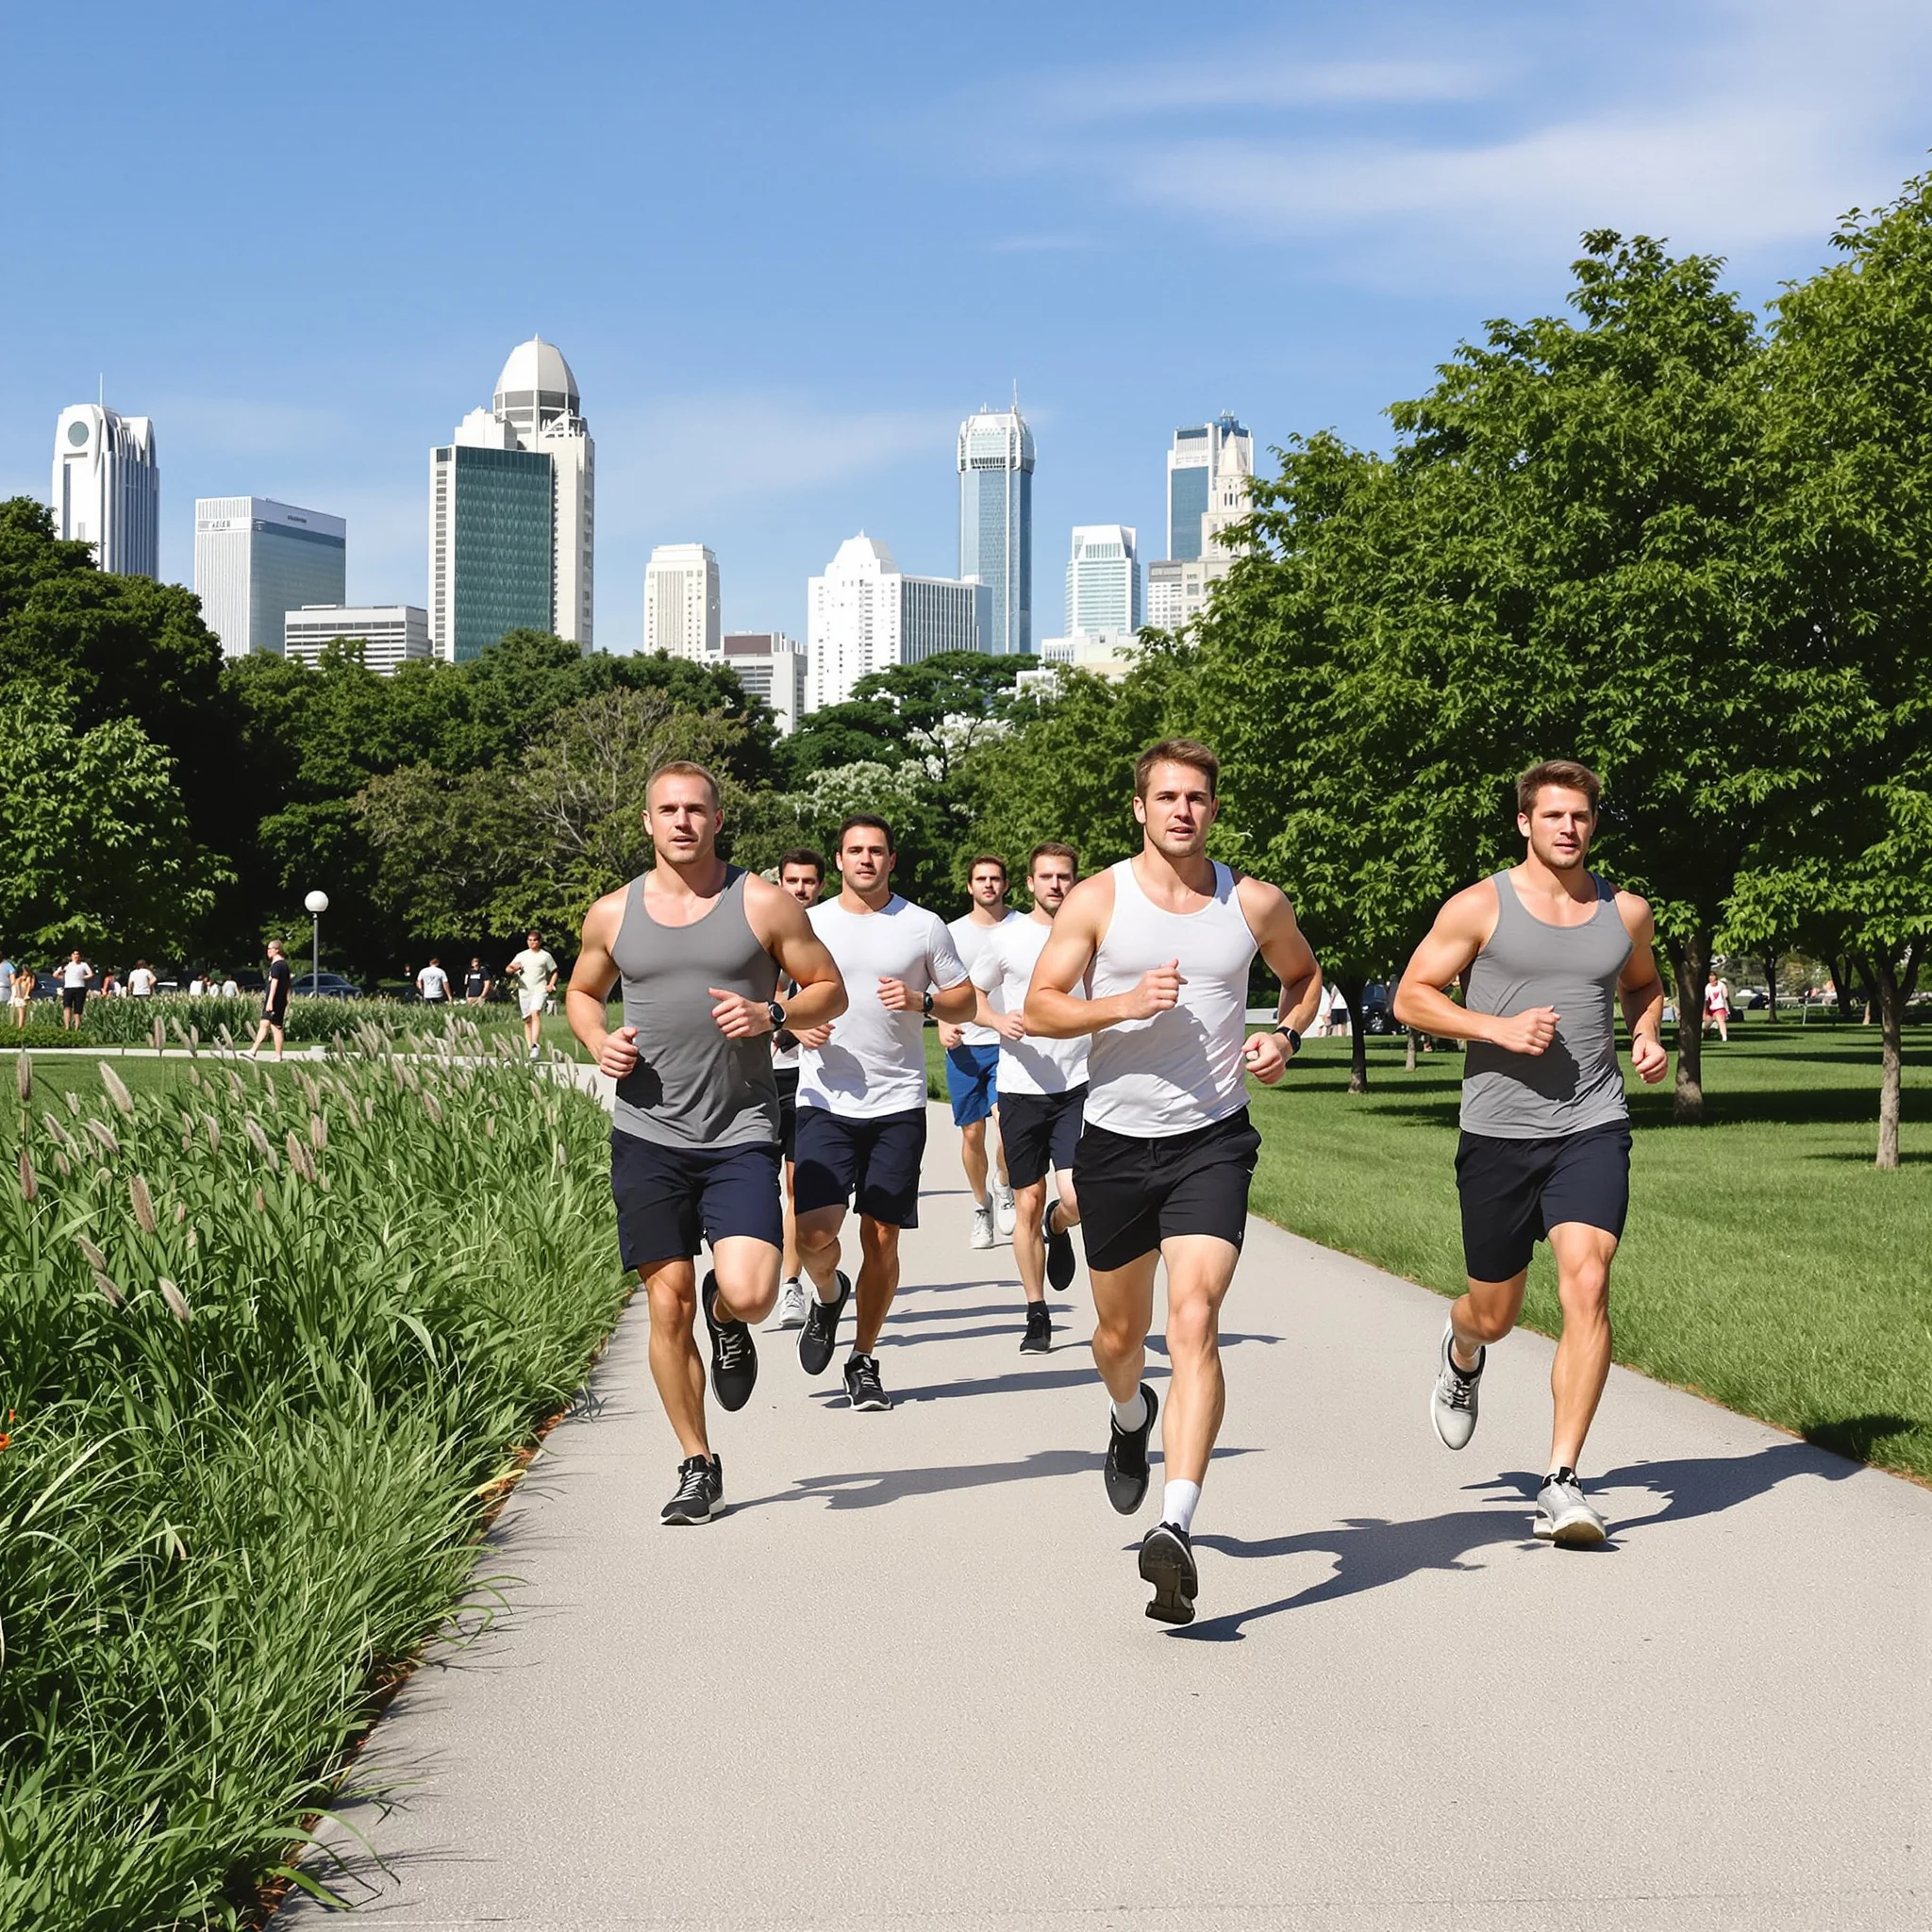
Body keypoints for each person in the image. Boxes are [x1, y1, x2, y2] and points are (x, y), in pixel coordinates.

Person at [1027, 741, 1321, 1625]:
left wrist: (1286, 1035)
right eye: (1166, 797)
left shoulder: (1252, 901)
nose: (1182, 811)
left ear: (1213, 810)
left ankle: (1177, 1525)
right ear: (1139, 809)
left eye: (1196, 797)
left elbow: (1303, 979)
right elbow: (1043, 1004)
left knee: (1194, 1317)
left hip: (1213, 1142)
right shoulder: (1098, 900)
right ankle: (1128, 1416)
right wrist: (1118, 1004)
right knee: (1120, 1337)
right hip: (1115, 1144)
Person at [1392, 758, 1669, 1547]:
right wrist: (1496, 1030)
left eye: (1580, 816)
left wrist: (1646, 1035)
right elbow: (1414, 993)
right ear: (1525, 822)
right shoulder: (1481, 905)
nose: (1569, 828)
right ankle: (1464, 1347)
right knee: (1497, 1310)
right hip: (1499, 1132)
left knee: (1588, 1280)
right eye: (1553, 816)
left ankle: (1561, 1480)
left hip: (1592, 1124)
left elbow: (1643, 986)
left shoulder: (1627, 912)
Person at [566, 761, 846, 1525]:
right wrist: (598, 1041)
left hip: (740, 1134)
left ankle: (728, 1325)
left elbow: (830, 986)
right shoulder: (612, 914)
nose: (682, 821)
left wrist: (774, 1017)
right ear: (648, 822)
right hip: (647, 1133)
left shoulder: (762, 901)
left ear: (718, 820)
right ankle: (697, 1462)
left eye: (696, 809)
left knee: (750, 1293)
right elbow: (582, 992)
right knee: (667, 1302)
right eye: (668, 810)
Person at [791, 814, 975, 1413]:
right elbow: (772, 996)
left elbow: (967, 1000)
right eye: (854, 851)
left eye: (877, 851)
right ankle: (826, 1294)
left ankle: (863, 1359)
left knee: (882, 1236)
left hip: (897, 1102)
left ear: (891, 861)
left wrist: (924, 1001)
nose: (866, 859)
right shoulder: (806, 923)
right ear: (838, 861)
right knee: (813, 1234)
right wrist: (794, 1025)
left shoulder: (924, 927)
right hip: (823, 1099)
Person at [972, 841, 1089, 1354]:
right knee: (1027, 1200)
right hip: (1021, 1089)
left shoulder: (1093, 934)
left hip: (1080, 1083)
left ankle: (1058, 1229)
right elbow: (967, 995)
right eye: (1047, 877)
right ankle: (1036, 1312)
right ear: (1030, 883)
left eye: (1064, 876)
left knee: (1077, 1198)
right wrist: (997, 1019)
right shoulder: (1007, 939)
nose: (1056, 885)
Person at [941, 854, 1016, 1248]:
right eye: (981, 879)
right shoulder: (951, 932)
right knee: (973, 1133)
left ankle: (1004, 1182)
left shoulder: (1024, 926)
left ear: (1006, 885)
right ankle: (981, 1205)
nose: (988, 885)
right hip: (967, 1047)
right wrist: (941, 1023)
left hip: (1012, 1045)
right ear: (970, 887)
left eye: (995, 879)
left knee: (1008, 1125)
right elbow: (938, 985)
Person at [767, 848, 827, 1332]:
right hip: (752, 1077)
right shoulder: (762, 931)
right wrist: (788, 1015)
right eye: (793, 880)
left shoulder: (826, 934)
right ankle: (749, 1271)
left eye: (809, 881)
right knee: (754, 1183)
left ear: (821, 885)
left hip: (804, 1080)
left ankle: (791, 1285)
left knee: (793, 1185)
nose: (801, 889)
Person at [506, 931, 558, 1059]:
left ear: (540, 941)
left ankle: (535, 1045)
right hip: (524, 991)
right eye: (530, 940)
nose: (532, 943)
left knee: (535, 1012)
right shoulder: (521, 955)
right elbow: (508, 969)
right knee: (527, 1020)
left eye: (535, 940)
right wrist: (513, 969)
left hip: (539, 989)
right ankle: (531, 1050)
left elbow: (555, 971)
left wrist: (551, 984)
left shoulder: (545, 956)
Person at [246, 941, 293, 1060]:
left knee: (275, 1027)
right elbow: (288, 983)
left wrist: (269, 1001)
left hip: (274, 1001)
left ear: (277, 950)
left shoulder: (277, 966)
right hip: (280, 1000)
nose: (268, 951)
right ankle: (255, 1051)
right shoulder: (285, 966)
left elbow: (274, 984)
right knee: (268, 1025)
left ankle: (261, 1053)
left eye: (270, 949)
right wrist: (287, 998)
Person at [58, 950, 92, 1031]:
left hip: (80, 988)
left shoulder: (83, 965)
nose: (76, 956)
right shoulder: (66, 966)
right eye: (75, 954)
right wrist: (62, 977)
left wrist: (84, 977)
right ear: (71, 956)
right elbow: (56, 974)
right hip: (68, 988)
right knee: (67, 1007)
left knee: (78, 1010)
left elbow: (90, 974)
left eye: (78, 954)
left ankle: (77, 1029)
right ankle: (67, 1027)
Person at [1704, 970, 1731, 1043]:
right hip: (1710, 1009)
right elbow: (1706, 999)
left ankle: (1724, 1037)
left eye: (1713, 976)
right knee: (1707, 1025)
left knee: (1721, 1021)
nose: (1712, 979)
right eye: (1710, 977)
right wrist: (1705, 1011)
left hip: (1719, 1007)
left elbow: (1726, 997)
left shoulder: (1721, 985)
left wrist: (1728, 1008)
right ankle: (1706, 1034)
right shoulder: (1708, 987)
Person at [8, 954, 28, 1028]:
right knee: (21, 1014)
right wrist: (20, 996)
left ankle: (20, 1027)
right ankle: (20, 1028)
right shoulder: (19, 980)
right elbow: (17, 987)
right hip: (19, 998)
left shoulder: (25, 979)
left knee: (23, 1014)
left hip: (20, 998)